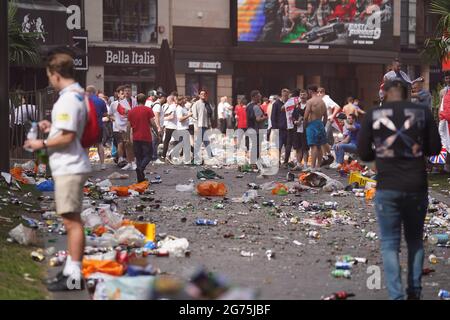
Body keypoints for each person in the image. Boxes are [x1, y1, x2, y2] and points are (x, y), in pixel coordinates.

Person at [358, 80, 441, 300]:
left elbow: (364, 153)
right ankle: (414, 291)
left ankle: (396, 296)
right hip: (416, 186)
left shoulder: (374, 114)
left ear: (384, 93)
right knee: (415, 241)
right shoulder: (422, 112)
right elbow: (435, 148)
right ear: (409, 94)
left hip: (387, 187)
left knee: (389, 243)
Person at [24, 52, 92, 291]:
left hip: (69, 166)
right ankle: (70, 272)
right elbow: (65, 130)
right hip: (70, 165)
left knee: (72, 222)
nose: (49, 80)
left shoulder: (68, 99)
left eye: (49, 76)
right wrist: (51, 128)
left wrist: (39, 144)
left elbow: (68, 136)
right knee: (70, 219)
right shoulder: (76, 95)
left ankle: (73, 277)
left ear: (55, 74)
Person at [128, 93, 158, 182]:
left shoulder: (131, 111)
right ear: (145, 101)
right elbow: (152, 123)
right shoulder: (148, 110)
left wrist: (127, 137)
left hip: (135, 137)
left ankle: (140, 178)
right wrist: (157, 133)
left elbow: (128, 126)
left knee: (139, 157)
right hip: (146, 137)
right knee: (148, 155)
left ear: (137, 100)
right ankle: (141, 169)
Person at [109, 86, 135, 170]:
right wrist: (116, 120)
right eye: (122, 93)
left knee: (129, 143)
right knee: (122, 143)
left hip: (129, 126)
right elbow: (110, 115)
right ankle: (123, 159)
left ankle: (131, 161)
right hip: (118, 127)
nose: (124, 94)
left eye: (126, 92)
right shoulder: (114, 104)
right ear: (118, 94)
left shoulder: (133, 102)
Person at [304, 85, 328, 169]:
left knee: (313, 146)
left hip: (312, 124)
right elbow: (325, 116)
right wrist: (322, 125)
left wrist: (304, 125)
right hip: (320, 123)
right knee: (319, 146)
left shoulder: (310, 102)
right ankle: (318, 166)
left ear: (310, 91)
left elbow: (306, 116)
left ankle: (312, 166)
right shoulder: (322, 101)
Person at [86, 86, 108, 170]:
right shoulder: (101, 101)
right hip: (99, 125)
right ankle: (102, 164)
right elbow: (105, 114)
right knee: (99, 144)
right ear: (95, 92)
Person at [318, 87, 339, 166]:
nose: (319, 93)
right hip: (320, 121)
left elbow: (337, 107)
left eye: (321, 92)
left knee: (324, 139)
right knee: (325, 140)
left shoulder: (327, 99)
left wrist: (332, 116)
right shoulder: (319, 100)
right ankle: (326, 156)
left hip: (327, 120)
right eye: (318, 92)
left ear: (324, 92)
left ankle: (328, 156)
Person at [192, 89, 214, 163]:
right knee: (203, 141)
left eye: (204, 94)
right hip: (199, 125)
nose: (203, 95)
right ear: (199, 95)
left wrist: (209, 125)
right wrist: (196, 127)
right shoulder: (196, 104)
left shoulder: (207, 104)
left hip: (205, 125)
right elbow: (194, 116)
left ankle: (196, 156)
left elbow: (209, 116)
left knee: (204, 141)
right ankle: (208, 155)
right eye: (201, 94)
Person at [247, 90, 268, 162]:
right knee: (257, 146)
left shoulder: (248, 105)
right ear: (254, 97)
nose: (260, 97)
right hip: (257, 129)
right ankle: (256, 161)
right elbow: (258, 119)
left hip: (250, 128)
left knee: (254, 145)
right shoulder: (255, 107)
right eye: (259, 96)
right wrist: (265, 118)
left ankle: (254, 161)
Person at [271, 89, 290, 164]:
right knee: (278, 146)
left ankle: (286, 162)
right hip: (279, 128)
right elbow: (273, 117)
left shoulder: (289, 103)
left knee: (288, 147)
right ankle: (277, 161)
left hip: (288, 128)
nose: (286, 97)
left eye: (287, 95)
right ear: (282, 95)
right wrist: (275, 128)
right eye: (284, 95)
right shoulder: (276, 104)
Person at [283, 89, 301, 168]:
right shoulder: (298, 100)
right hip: (298, 125)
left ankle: (286, 162)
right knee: (298, 145)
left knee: (288, 144)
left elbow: (282, 108)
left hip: (289, 125)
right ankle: (297, 162)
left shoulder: (288, 102)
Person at [292, 89, 310, 169]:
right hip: (297, 129)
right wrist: (295, 122)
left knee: (305, 148)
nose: (302, 96)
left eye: (304, 94)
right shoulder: (297, 105)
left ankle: (305, 164)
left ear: (307, 95)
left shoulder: (309, 105)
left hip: (306, 128)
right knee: (298, 147)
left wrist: (303, 119)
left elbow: (311, 116)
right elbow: (292, 117)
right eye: (301, 95)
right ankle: (299, 164)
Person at [161, 95, 178, 162]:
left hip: (171, 127)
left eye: (167, 100)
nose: (167, 101)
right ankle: (167, 155)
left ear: (170, 100)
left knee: (167, 141)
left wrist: (163, 119)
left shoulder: (172, 106)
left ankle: (165, 155)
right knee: (169, 141)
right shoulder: (171, 106)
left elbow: (171, 117)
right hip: (170, 126)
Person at [439, 71, 450, 172]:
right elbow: (440, 105)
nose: (448, 80)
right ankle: (446, 166)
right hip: (444, 119)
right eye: (446, 78)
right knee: (445, 142)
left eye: (449, 78)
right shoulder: (442, 92)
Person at [151, 92, 167, 163]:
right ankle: (154, 158)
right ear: (162, 98)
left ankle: (153, 157)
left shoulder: (157, 104)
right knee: (155, 142)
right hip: (156, 126)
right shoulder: (157, 105)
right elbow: (156, 116)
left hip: (156, 126)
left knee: (155, 142)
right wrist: (158, 127)